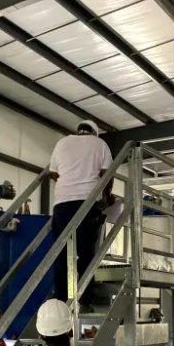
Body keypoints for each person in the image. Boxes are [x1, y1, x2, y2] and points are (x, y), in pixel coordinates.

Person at [50, 120, 114, 311]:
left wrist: (70, 181)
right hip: (88, 202)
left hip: (62, 203)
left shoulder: (62, 143)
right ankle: (84, 297)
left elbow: (53, 173)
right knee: (86, 253)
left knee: (61, 253)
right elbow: (107, 174)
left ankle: (61, 299)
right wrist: (107, 196)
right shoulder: (100, 144)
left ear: (77, 131)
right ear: (94, 133)